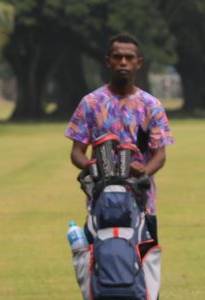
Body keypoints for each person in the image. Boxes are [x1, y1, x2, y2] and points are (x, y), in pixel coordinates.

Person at [66, 32, 173, 232]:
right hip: (101, 200)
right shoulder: (91, 103)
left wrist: (144, 172)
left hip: (141, 202)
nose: (123, 62)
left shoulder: (151, 106)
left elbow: (160, 155)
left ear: (138, 63)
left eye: (129, 57)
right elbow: (76, 152)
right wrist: (91, 166)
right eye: (117, 57)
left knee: (144, 259)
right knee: (100, 258)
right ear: (108, 61)